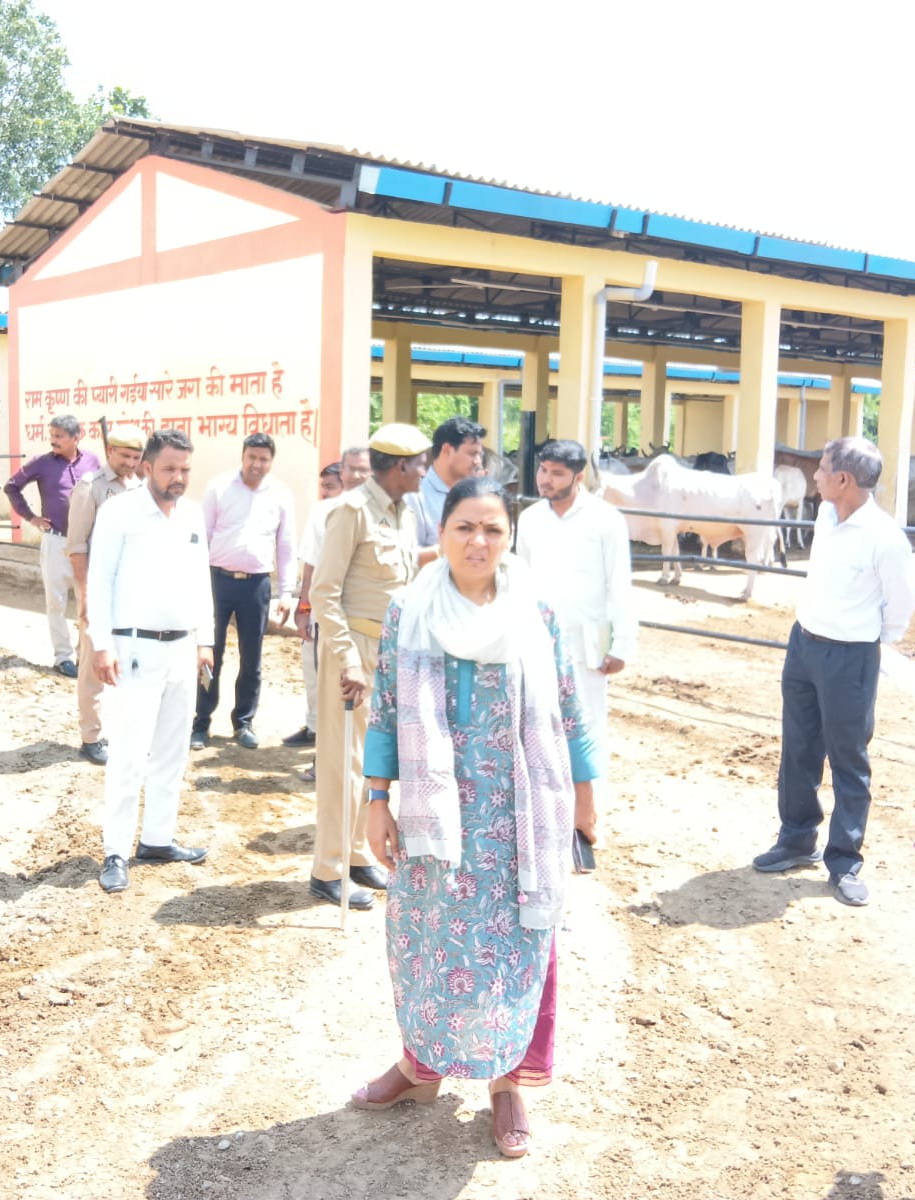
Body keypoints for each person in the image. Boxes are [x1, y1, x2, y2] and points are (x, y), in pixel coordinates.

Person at [353, 475, 596, 1160]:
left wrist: (585, 796)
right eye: (465, 527)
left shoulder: (535, 611)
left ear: (509, 536)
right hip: (433, 809)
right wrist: (377, 800)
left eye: (493, 528)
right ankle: (420, 1068)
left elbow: (568, 704)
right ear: (441, 532)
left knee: (519, 942)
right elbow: (385, 707)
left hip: (520, 811)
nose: (478, 541)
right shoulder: (410, 609)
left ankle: (508, 1083)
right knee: (426, 935)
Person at [753, 436, 915, 907]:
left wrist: (867, 637)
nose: (816, 475)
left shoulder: (885, 539)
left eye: (823, 468)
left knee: (848, 757)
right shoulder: (826, 515)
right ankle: (796, 838)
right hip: (804, 644)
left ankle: (844, 859)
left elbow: (901, 604)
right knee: (798, 746)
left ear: (843, 479)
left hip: (850, 655)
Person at [87, 429, 215, 895]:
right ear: (146, 468)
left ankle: (157, 839)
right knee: (128, 754)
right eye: (169, 469)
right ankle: (116, 850)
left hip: (182, 649)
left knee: (172, 751)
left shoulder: (192, 514)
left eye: (185, 469)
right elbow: (99, 581)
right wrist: (101, 644)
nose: (178, 477)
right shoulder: (119, 512)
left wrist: (206, 639)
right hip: (134, 650)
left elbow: (201, 582)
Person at [307, 424, 429, 909]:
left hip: (391, 649)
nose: (425, 471)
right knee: (345, 763)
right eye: (420, 463)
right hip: (353, 651)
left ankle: (357, 855)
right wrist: (347, 659)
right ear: (400, 466)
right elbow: (324, 592)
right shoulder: (351, 511)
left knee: (374, 759)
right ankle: (328, 869)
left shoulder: (405, 514)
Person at [515, 438, 636, 849]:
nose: (546, 480)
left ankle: (586, 819)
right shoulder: (530, 519)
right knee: (535, 724)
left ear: (578, 477)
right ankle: (542, 813)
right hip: (535, 641)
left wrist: (622, 645)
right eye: (543, 470)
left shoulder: (605, 520)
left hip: (587, 646)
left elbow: (620, 584)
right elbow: (519, 580)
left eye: (557, 473)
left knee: (587, 728)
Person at [191, 432, 296, 751]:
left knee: (252, 658)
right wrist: (195, 582)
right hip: (216, 581)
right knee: (209, 653)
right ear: (243, 456)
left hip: (257, 585)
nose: (257, 464)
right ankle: (201, 722)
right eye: (252, 457)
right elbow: (202, 536)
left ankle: (244, 722)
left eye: (264, 459)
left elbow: (286, 546)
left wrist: (287, 592)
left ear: (271, 462)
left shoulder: (281, 494)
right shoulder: (219, 487)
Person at [65, 425, 145, 765]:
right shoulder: (90, 488)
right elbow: (77, 547)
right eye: (125, 455)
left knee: (129, 661)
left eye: (136, 457)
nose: (130, 462)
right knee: (93, 663)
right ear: (109, 450)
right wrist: (85, 595)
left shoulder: (140, 488)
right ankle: (91, 737)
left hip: (131, 590)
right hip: (98, 588)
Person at [286, 448, 371, 760]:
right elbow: (311, 566)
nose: (357, 476)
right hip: (330, 615)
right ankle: (322, 755)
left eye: (364, 470)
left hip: (364, 621)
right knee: (325, 685)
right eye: (352, 469)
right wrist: (304, 609)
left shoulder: (383, 512)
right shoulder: (325, 511)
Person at [3, 414, 102, 677]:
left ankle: (84, 655)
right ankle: (63, 657)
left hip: (86, 544)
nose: (53, 440)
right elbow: (11, 487)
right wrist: (31, 517)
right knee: (56, 601)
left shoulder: (92, 461)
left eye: (59, 436)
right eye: (52, 435)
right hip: (56, 541)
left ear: (76, 438)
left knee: (87, 601)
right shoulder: (42, 463)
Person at [405, 415, 485, 547]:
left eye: (479, 455)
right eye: (472, 453)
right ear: (447, 450)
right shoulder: (415, 498)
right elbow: (409, 553)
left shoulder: (480, 496)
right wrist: (451, 551)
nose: (478, 461)